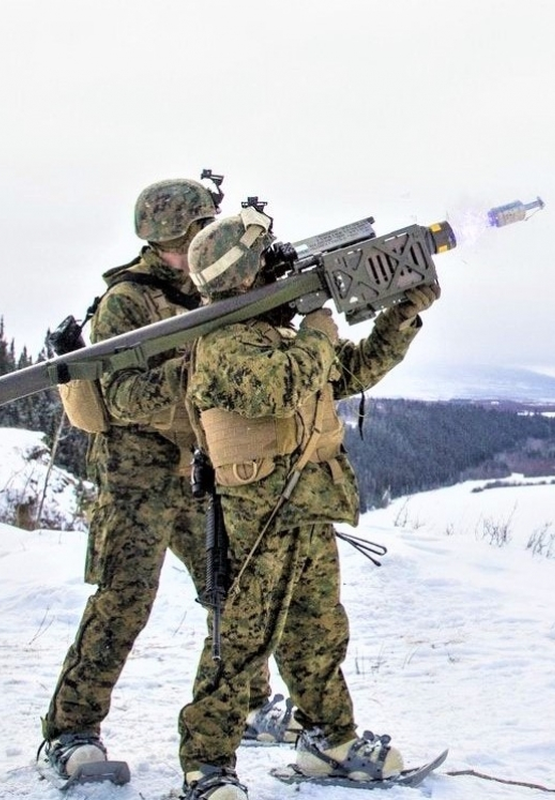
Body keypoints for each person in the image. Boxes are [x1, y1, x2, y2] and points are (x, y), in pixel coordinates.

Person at [174, 209, 438, 800]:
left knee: (317, 630)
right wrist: (320, 325)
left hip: (307, 502)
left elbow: (351, 370)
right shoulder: (222, 343)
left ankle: (330, 738)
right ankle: (205, 765)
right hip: (259, 512)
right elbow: (282, 386)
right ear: (242, 276)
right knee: (242, 638)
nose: (277, 268)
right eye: (265, 261)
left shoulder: (275, 336)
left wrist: (403, 314)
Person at [38, 179, 292, 781]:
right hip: (137, 472)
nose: (201, 243)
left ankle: (250, 704)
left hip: (198, 463)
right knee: (125, 597)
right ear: (162, 238)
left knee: (230, 589)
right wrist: (203, 372)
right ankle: (70, 729)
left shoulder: (213, 283)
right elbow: (122, 395)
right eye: (191, 235)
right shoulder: (129, 300)